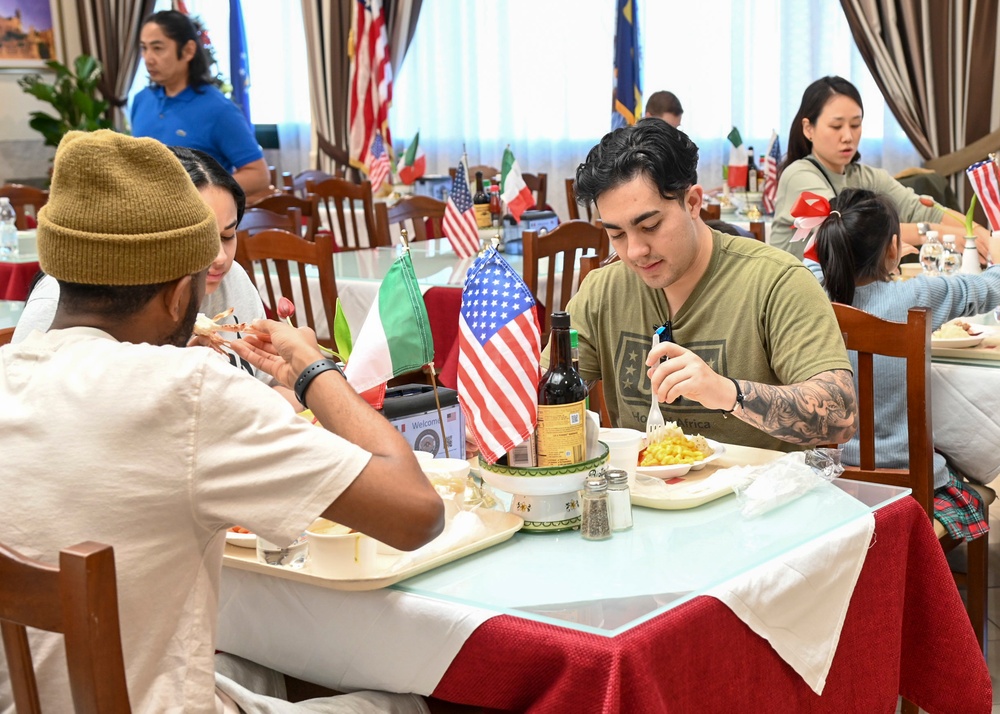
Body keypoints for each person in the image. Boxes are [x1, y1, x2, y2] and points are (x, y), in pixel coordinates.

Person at [0, 130, 443, 713]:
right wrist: (312, 367)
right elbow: (416, 513)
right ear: (178, 294)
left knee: (248, 663)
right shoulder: (186, 391)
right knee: (411, 703)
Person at [563, 118, 858, 451]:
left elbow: (840, 417)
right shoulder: (603, 291)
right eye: (616, 234)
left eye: (650, 226)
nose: (634, 252)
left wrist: (726, 392)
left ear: (692, 203)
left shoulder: (776, 281)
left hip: (760, 497)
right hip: (641, 497)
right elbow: (544, 398)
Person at [9, 148, 301, 403]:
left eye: (228, 235)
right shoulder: (71, 301)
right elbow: (29, 398)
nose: (220, 258)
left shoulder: (232, 277)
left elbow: (272, 386)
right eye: (202, 241)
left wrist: (301, 375)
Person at [814, 187, 1000, 541]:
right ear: (892, 250)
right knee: (967, 481)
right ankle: (921, 551)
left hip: (826, 477)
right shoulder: (915, 296)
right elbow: (986, 288)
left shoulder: (807, 297)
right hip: (907, 478)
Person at [771, 75, 991, 262]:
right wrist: (933, 233)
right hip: (800, 299)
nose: (848, 136)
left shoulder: (865, 176)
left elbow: (921, 209)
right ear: (808, 128)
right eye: (836, 126)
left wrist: (980, 234)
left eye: (855, 125)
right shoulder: (799, 175)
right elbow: (847, 230)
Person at [131, 10, 270, 197]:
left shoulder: (219, 109)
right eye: (144, 48)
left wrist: (198, 194)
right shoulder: (141, 100)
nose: (148, 59)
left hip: (197, 220)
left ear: (188, 50)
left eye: (158, 48)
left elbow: (259, 176)